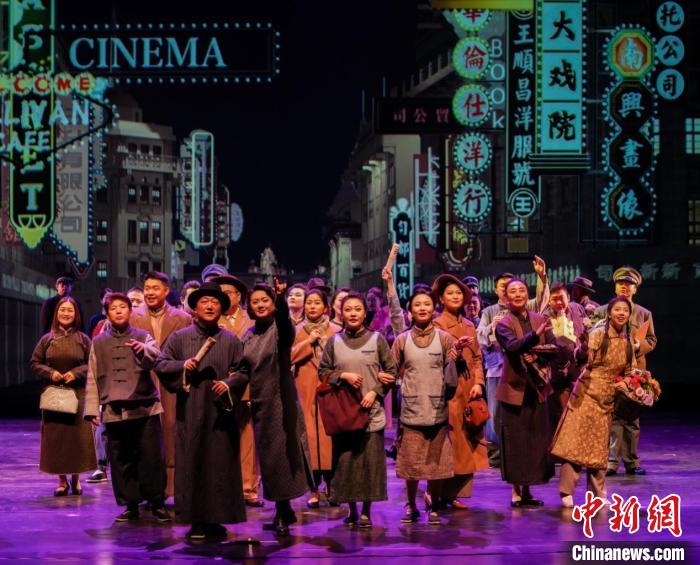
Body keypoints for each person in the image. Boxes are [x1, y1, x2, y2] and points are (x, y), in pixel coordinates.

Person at [154, 282, 247, 540]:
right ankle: (195, 520)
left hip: (220, 414)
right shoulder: (180, 338)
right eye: (204, 302)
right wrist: (184, 365)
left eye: (215, 302)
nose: (209, 306)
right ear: (194, 308)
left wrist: (229, 384)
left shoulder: (231, 340)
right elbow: (161, 364)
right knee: (192, 461)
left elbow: (243, 371)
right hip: (191, 409)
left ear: (221, 309)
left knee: (220, 464)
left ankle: (216, 519)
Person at [227, 279, 314, 536]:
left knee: (281, 457)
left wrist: (281, 298)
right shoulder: (248, 335)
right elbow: (243, 370)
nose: (260, 305)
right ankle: (283, 509)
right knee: (268, 459)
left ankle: (282, 511)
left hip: (281, 401)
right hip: (259, 403)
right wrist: (228, 383)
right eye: (255, 302)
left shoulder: (279, 328)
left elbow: (287, 328)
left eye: (265, 300)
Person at [84, 293, 170, 523]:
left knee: (151, 458)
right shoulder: (98, 342)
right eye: (114, 308)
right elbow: (92, 375)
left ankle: (156, 503)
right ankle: (130, 505)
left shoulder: (143, 336)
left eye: (123, 307)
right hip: (115, 411)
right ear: (107, 314)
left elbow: (156, 357)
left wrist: (143, 350)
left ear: (130, 311)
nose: (119, 311)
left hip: (145, 408)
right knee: (122, 460)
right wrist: (91, 409)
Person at [318, 292, 398, 529]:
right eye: (348, 309)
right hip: (344, 414)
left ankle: (366, 512)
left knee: (369, 464)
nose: (353, 313)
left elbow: (392, 371)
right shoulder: (334, 341)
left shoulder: (377, 339)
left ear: (365, 314)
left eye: (357, 309)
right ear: (341, 314)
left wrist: (375, 392)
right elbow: (323, 372)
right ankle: (352, 510)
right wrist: (343, 375)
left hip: (371, 413)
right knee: (347, 464)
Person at [551, 297, 635, 507]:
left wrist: (627, 383)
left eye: (625, 310)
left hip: (607, 399)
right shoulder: (598, 335)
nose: (621, 313)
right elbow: (582, 358)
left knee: (599, 447)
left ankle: (597, 495)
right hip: (586, 394)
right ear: (609, 313)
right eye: (617, 309)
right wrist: (582, 347)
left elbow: (629, 372)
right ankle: (566, 491)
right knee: (576, 443)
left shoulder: (627, 343)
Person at [392, 289, 459, 526]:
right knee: (411, 462)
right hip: (411, 409)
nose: (422, 308)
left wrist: (457, 358)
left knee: (436, 463)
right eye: (417, 305)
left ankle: (434, 504)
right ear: (410, 311)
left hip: (437, 408)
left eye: (427, 304)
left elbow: (452, 375)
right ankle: (411, 505)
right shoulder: (402, 340)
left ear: (434, 309)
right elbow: (391, 369)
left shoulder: (445, 338)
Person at [476, 258, 550, 468]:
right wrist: (491, 327)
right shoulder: (489, 312)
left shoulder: (528, 308)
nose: (515, 293)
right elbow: (479, 337)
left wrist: (542, 277)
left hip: (527, 370)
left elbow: (542, 300)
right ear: (499, 291)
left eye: (520, 289)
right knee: (496, 413)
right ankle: (497, 453)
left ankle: (526, 457)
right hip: (497, 368)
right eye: (506, 287)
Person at [495, 278, 557, 507]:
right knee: (516, 441)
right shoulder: (503, 323)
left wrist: (538, 353)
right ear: (506, 297)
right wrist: (534, 337)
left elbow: (554, 346)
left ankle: (528, 489)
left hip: (537, 386)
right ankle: (516, 490)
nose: (518, 294)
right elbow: (513, 346)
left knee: (534, 439)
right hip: (514, 389)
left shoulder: (539, 318)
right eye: (513, 291)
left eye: (522, 290)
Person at [131, 271, 191, 499]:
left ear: (166, 291)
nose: (150, 292)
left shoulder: (182, 318)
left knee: (171, 432)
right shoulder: (132, 317)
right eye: (147, 288)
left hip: (171, 382)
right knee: (145, 437)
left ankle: (172, 489)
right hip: (142, 381)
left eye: (155, 288)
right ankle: (148, 490)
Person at [592, 267, 657, 477]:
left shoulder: (644, 313)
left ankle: (631, 461)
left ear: (635, 289)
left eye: (629, 285)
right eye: (621, 284)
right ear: (615, 286)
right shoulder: (602, 311)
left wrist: (638, 346)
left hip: (635, 371)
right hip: (610, 370)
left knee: (631, 417)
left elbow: (652, 339)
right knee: (610, 416)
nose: (624, 287)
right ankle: (610, 461)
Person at [432, 274, 487, 510]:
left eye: (458, 293)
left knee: (469, 439)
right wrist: (453, 350)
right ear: (441, 299)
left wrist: (479, 383)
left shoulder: (470, 325)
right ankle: (438, 492)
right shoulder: (436, 325)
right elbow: (433, 359)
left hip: (470, 390)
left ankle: (455, 494)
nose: (455, 296)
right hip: (449, 391)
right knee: (451, 442)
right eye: (450, 293)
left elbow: (477, 359)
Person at [31, 297, 96, 496]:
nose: (66, 313)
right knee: (57, 439)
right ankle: (62, 481)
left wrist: (75, 373)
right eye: (62, 310)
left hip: (77, 394)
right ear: (56, 313)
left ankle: (76, 479)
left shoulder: (83, 339)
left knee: (76, 438)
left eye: (70, 310)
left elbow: (92, 363)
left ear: (76, 314)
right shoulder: (47, 339)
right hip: (54, 395)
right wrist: (50, 373)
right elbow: (35, 362)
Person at [214, 274, 263, 508]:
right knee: (219, 439)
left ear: (238, 296)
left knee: (247, 438)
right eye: (220, 293)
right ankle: (221, 487)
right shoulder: (211, 318)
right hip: (218, 386)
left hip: (245, 387)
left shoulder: (251, 319)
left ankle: (247, 487)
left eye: (228, 293)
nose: (223, 297)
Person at [291, 288, 341, 507]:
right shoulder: (297, 330)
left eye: (317, 303)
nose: (312, 306)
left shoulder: (336, 330)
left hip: (330, 387)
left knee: (330, 438)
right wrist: (308, 343)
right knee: (309, 438)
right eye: (309, 302)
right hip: (305, 387)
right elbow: (287, 356)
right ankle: (313, 489)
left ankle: (331, 485)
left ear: (326, 307)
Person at [543, 281, 589, 432]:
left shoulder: (577, 309)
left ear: (568, 297)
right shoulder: (545, 317)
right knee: (560, 419)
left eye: (561, 298)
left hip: (579, 371)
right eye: (554, 299)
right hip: (558, 376)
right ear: (549, 301)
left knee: (579, 417)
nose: (558, 302)